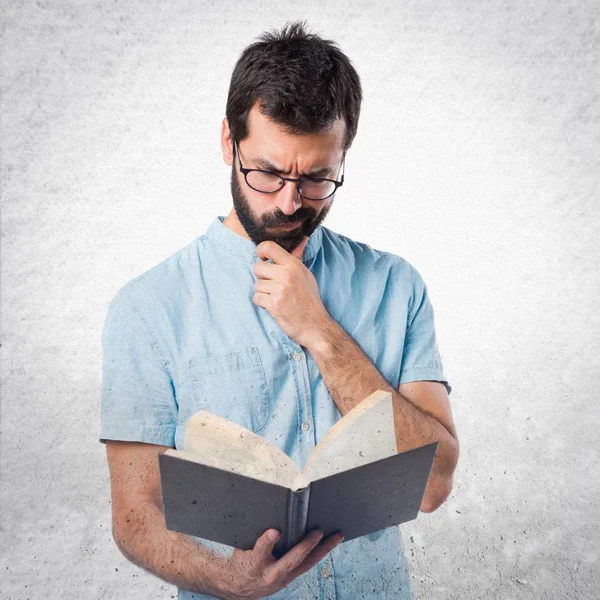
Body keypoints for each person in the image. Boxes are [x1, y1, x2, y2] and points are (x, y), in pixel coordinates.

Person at [100, 21, 459, 600]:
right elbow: (135, 516)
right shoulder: (147, 310)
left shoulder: (397, 285)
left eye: (317, 178)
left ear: (343, 157)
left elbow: (432, 483)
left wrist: (320, 331)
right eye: (267, 172)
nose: (291, 202)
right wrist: (227, 580)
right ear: (228, 142)